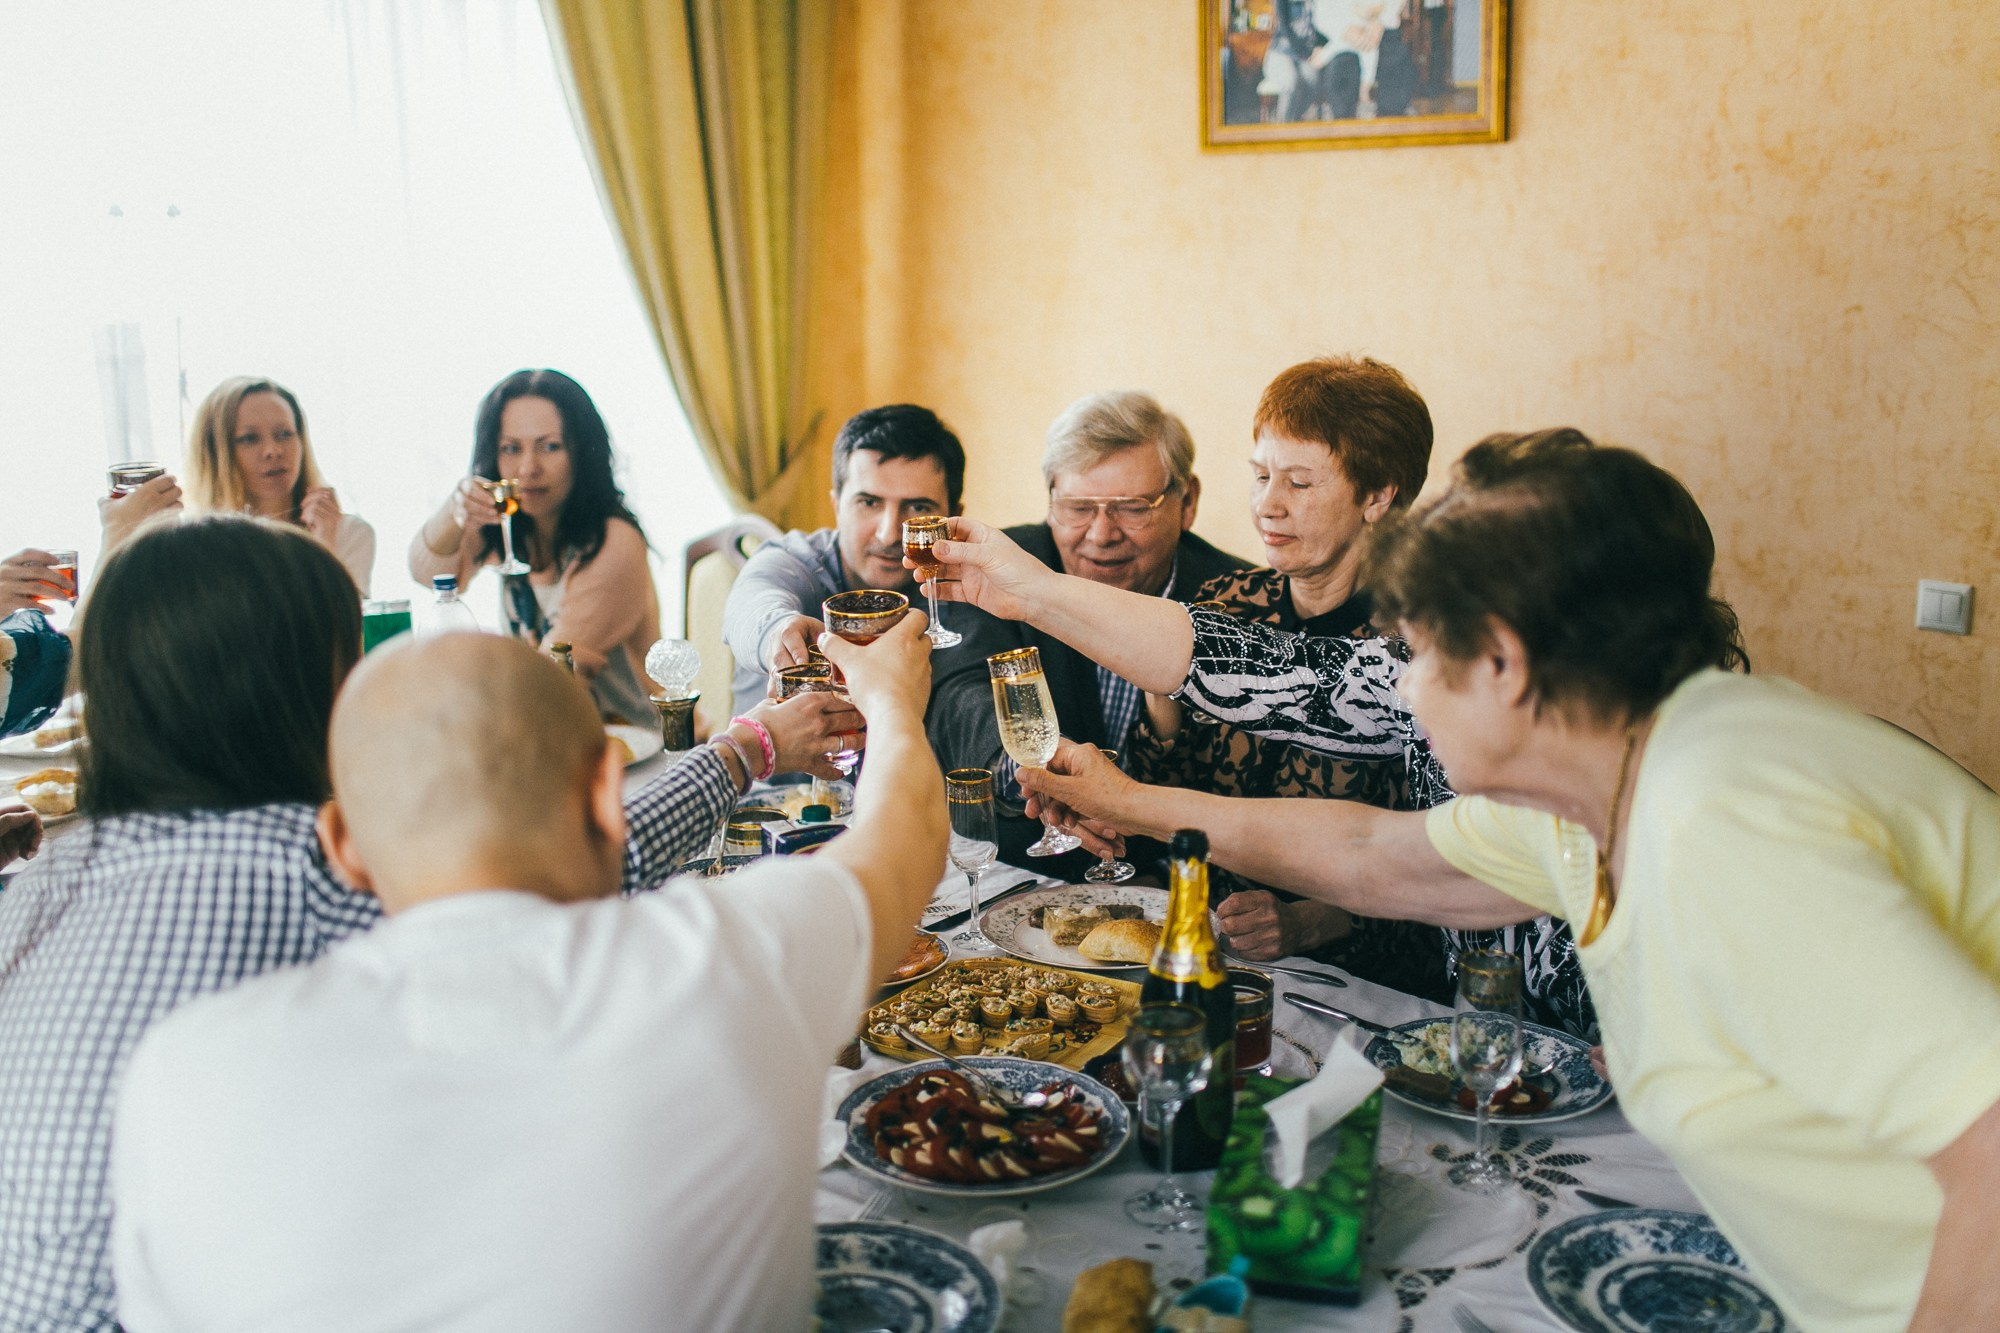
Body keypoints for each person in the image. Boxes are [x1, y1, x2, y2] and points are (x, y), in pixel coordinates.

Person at [1009, 431, 2000, 1333]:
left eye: (1420, 654)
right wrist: (1134, 803)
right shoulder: (1604, 783)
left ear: (1504, 663)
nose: (1401, 686)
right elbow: (1372, 854)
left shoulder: (1717, 810)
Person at [0, 516, 856, 1332]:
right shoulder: (302, 863)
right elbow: (561, 865)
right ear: (297, 687)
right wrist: (748, 748)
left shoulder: (37, 889)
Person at [112, 624, 943, 1332]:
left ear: (343, 844)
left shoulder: (177, 1069)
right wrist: (891, 700)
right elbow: (907, 825)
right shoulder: (717, 960)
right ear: (608, 797)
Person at [1120, 356, 1454, 1000]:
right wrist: (1161, 683)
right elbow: (1162, 801)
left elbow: (1445, 875)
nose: (1268, 505)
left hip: (1359, 990)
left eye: (1299, 483)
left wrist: (1310, 924)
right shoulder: (1223, 604)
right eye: (1261, 475)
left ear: (1378, 496)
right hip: (1201, 956)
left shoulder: (1425, 648)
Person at [926, 390, 1248, 869]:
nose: (1101, 534)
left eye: (1132, 507)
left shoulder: (1242, 598)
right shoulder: (1003, 566)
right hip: (1032, 876)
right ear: (1052, 500)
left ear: (1187, 502)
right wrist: (1037, 767)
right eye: (1078, 507)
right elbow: (960, 697)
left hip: (1185, 887)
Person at [410, 369, 660, 723]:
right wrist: (455, 511)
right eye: (511, 449)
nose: (528, 468)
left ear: (581, 454)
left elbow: (554, 673)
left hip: (636, 746)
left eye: (550, 447)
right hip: (550, 735)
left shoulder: (615, 541)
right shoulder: (513, 525)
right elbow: (428, 574)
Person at [720, 403, 965, 717]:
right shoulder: (795, 560)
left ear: (953, 516)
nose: (889, 534)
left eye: (918, 507)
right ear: (837, 505)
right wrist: (776, 633)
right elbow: (750, 602)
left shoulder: (960, 592)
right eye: (869, 502)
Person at [185, 376, 376, 594]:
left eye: (285, 434)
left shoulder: (348, 534)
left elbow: (343, 626)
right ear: (216, 453)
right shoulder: (196, 549)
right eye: (250, 439)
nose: (273, 451)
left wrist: (323, 549)